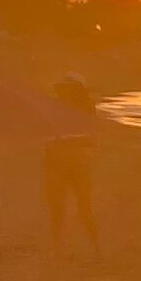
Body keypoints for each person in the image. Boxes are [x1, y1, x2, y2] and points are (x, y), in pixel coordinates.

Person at [41, 75, 102, 256]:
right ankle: (59, 248)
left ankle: (94, 247)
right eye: (61, 89)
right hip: (59, 163)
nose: (61, 93)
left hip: (74, 163)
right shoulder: (52, 109)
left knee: (84, 208)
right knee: (58, 208)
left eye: (65, 89)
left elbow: (91, 139)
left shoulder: (85, 110)